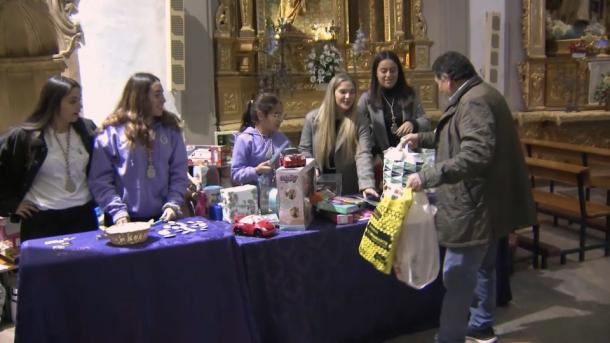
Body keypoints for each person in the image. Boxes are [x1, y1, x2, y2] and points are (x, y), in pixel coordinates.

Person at [403, 51, 536, 343]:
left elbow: (476, 154)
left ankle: (450, 337)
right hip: (486, 202)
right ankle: (481, 326)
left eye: (438, 82)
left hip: (474, 204)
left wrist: (427, 176)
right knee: (484, 267)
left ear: (447, 79)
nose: (439, 89)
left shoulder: (473, 101)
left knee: (458, 273)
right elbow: (457, 134)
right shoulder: (481, 93)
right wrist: (422, 138)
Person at [0, 75, 98, 241]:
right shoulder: (25, 136)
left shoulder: (86, 129)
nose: (79, 106)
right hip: (43, 219)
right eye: (72, 101)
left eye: (79, 100)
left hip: (83, 215)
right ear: (54, 102)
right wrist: (11, 205)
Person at [89, 73, 188, 225]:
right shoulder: (112, 132)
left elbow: (179, 172)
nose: (163, 99)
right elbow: (100, 180)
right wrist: (117, 212)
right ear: (140, 98)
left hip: (164, 217)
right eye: (157, 95)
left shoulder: (170, 129)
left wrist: (173, 203)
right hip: (124, 220)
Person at [299, 73, 378, 198]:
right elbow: (304, 150)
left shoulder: (360, 121)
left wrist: (367, 184)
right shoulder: (312, 119)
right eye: (343, 92)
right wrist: (312, 168)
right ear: (332, 93)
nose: (348, 96)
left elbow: (363, 154)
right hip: (318, 188)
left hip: (348, 189)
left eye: (352, 92)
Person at [357, 50, 431, 156]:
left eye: (393, 70)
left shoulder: (409, 94)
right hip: (380, 158)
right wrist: (374, 153)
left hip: (409, 157)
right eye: (384, 71)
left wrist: (413, 123)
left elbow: (426, 122)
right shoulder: (366, 99)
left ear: (399, 72)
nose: (389, 75)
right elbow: (358, 130)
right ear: (376, 73)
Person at [231, 93, 291, 187]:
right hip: (255, 197)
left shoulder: (282, 138)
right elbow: (236, 173)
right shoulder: (245, 140)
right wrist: (256, 171)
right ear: (260, 115)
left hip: (281, 195)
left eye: (281, 115)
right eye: (276, 115)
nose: (280, 119)